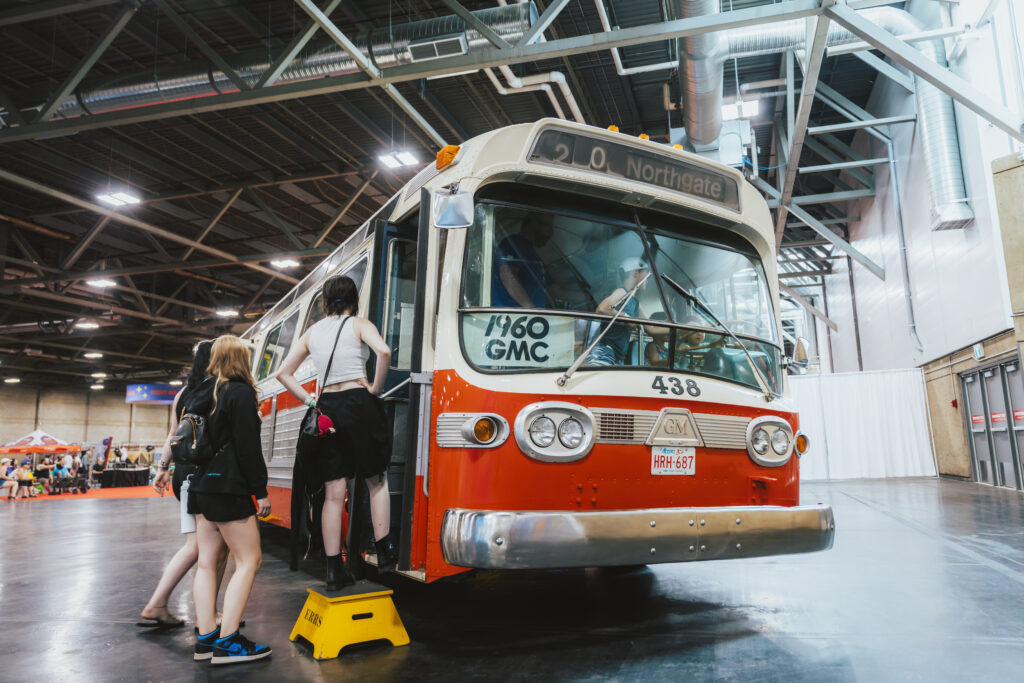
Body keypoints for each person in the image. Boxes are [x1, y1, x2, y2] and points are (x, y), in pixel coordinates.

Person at [276, 274, 394, 591]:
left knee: (332, 492)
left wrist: (309, 399)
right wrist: (375, 389)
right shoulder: (359, 324)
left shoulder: (313, 332)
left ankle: (332, 570)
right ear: (354, 298)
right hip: (358, 403)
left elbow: (282, 373)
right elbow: (383, 352)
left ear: (325, 301)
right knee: (376, 479)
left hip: (326, 406)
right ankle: (384, 551)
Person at [188, 335, 271, 665]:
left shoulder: (200, 392)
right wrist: (260, 490)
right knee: (249, 560)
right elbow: (248, 448)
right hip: (229, 488)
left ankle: (206, 637)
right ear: (241, 359)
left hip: (200, 487)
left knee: (207, 562)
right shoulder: (239, 393)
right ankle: (229, 642)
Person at [142, 341, 226, 630]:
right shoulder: (218, 389)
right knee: (205, 548)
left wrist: (163, 467)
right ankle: (209, 615)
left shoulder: (182, 394)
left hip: (184, 474)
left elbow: (173, 434)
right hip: (203, 473)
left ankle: (159, 604)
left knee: (199, 546)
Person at [588, 256, 656, 366]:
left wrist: (679, 330)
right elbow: (602, 308)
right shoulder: (622, 292)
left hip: (618, 357)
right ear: (635, 272)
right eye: (647, 273)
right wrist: (626, 318)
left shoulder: (636, 304)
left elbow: (652, 328)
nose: (649, 277)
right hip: (604, 352)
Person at [492, 214, 553, 308]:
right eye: (548, 226)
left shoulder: (534, 256)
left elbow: (554, 287)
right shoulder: (515, 243)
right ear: (535, 223)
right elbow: (507, 275)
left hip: (533, 318)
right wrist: (531, 310)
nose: (551, 233)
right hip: (511, 317)